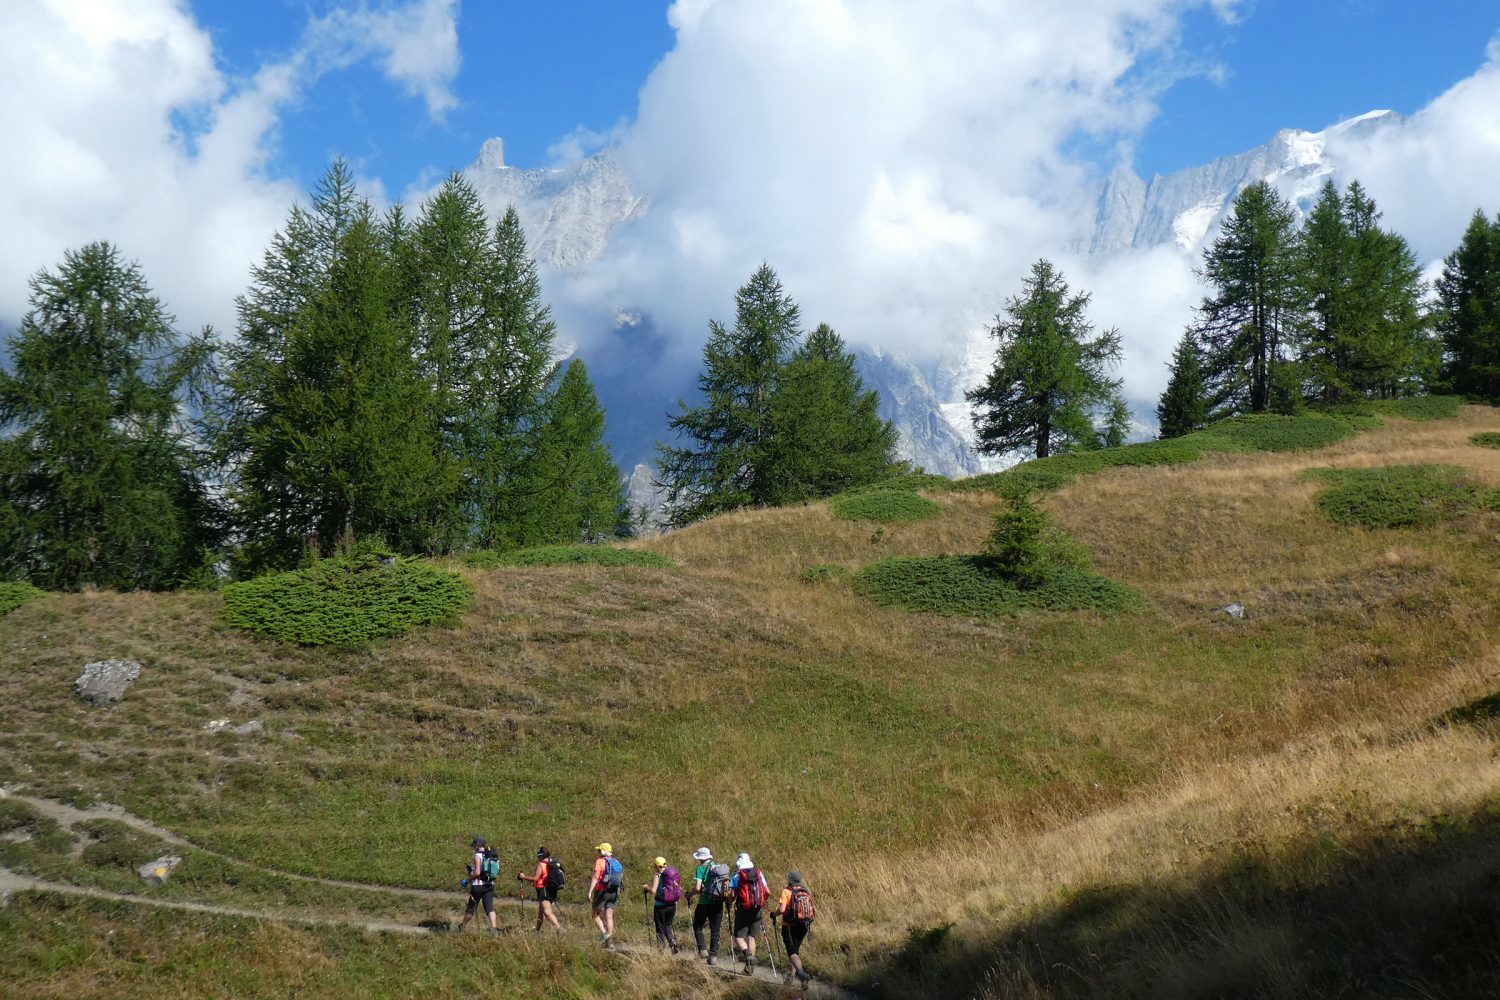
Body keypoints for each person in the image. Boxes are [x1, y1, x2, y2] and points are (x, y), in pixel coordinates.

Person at [728, 853, 770, 975]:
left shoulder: (737, 876)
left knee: (738, 936)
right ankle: (749, 968)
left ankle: (747, 954)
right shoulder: (758, 873)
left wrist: (729, 902)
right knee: (751, 937)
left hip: (743, 909)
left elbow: (732, 895)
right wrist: (761, 901)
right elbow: (768, 892)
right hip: (758, 909)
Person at [771, 870, 814, 984]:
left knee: (792, 953)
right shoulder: (805, 891)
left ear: (789, 880)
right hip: (804, 925)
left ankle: (801, 975)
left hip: (789, 926)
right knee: (795, 951)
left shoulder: (786, 891)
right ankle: (791, 977)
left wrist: (773, 914)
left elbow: (782, 909)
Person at [688, 847, 728, 965]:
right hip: (718, 903)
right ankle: (713, 956)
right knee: (715, 930)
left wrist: (689, 894)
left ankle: (703, 950)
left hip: (704, 903)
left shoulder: (700, 868)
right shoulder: (718, 867)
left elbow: (698, 887)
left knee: (697, 926)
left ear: (700, 859)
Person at [641, 856, 682, 953]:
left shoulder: (657, 875)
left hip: (660, 905)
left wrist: (646, 887)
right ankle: (672, 942)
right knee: (668, 925)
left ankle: (661, 949)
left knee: (660, 927)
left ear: (656, 866)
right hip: (672, 905)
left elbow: (653, 891)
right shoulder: (671, 874)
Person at [459, 836, 498, 934]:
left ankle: (462, 926)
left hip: (478, 886)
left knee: (471, 907)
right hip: (490, 885)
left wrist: (468, 880)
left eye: (474, 845)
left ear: (478, 845)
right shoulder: (492, 855)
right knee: (490, 908)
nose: (473, 847)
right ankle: (494, 929)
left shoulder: (478, 856)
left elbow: (477, 873)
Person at [520, 847, 563, 934]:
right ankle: (537, 930)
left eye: (538, 856)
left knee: (547, 912)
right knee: (541, 911)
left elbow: (536, 879)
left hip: (543, 890)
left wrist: (523, 877)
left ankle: (559, 929)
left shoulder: (541, 865)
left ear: (541, 856)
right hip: (551, 889)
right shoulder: (551, 863)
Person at [590, 842, 621, 948]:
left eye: (599, 850)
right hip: (615, 892)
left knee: (595, 915)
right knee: (609, 916)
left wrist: (590, 891)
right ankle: (609, 941)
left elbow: (596, 877)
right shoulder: (616, 862)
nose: (598, 852)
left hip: (602, 891)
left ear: (603, 852)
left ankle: (605, 934)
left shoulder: (600, 861)